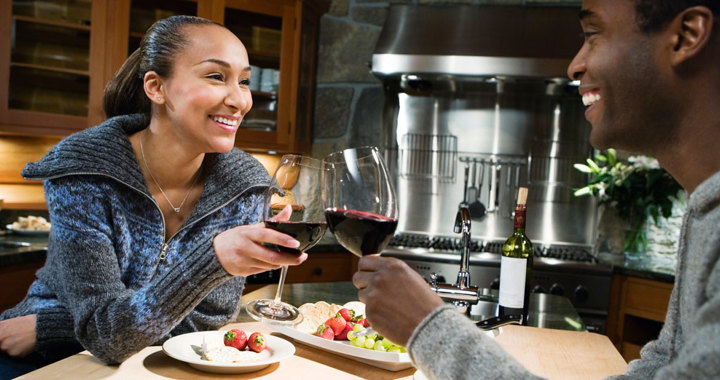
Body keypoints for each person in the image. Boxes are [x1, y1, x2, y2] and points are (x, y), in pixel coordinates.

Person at [352, 0, 720, 378]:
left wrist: (427, 327)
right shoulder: (705, 210)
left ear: (686, 36)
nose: (575, 66)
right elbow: (665, 365)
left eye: (593, 35)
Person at [0, 15, 305, 378]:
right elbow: (110, 338)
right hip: (44, 362)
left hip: (138, 358)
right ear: (156, 87)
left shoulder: (245, 184)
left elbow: (205, 324)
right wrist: (214, 260)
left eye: (243, 81)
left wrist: (55, 326)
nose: (239, 100)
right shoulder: (84, 170)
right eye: (215, 76)